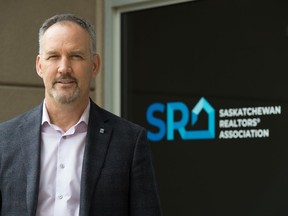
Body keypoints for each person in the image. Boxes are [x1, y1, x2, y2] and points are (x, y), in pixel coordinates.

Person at [0, 14, 162, 216]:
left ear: (94, 65)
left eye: (76, 56)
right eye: (53, 56)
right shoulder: (4, 140)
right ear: (39, 66)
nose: (64, 68)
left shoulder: (130, 141)